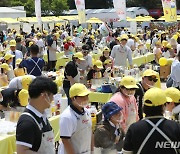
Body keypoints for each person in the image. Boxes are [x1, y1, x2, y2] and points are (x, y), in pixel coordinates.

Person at [122, 88, 180, 154]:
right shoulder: (175, 127)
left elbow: (127, 152)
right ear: (163, 106)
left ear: (144, 106)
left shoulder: (134, 128)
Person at [16, 77, 58, 154]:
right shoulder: (27, 122)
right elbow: (22, 151)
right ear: (44, 96)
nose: (53, 99)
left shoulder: (42, 116)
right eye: (52, 96)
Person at [58, 83, 93, 154]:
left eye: (87, 96)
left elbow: (90, 132)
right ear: (73, 98)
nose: (86, 99)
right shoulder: (67, 116)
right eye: (82, 96)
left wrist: (92, 151)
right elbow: (65, 140)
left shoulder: (87, 112)